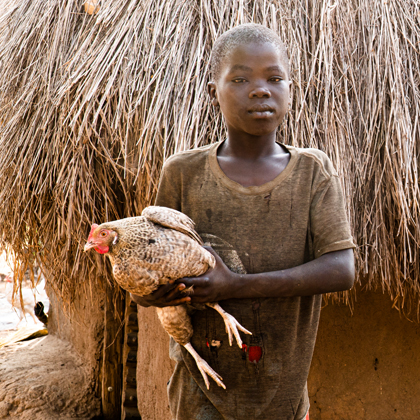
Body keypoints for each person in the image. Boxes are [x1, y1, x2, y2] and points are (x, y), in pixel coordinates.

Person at [131, 23, 356, 420]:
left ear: (290, 88)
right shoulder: (183, 173)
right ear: (212, 90)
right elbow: (150, 267)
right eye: (239, 78)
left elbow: (341, 269)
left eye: (274, 78)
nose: (260, 89)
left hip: (282, 391)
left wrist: (236, 286)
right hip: (202, 392)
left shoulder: (312, 172)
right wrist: (150, 294)